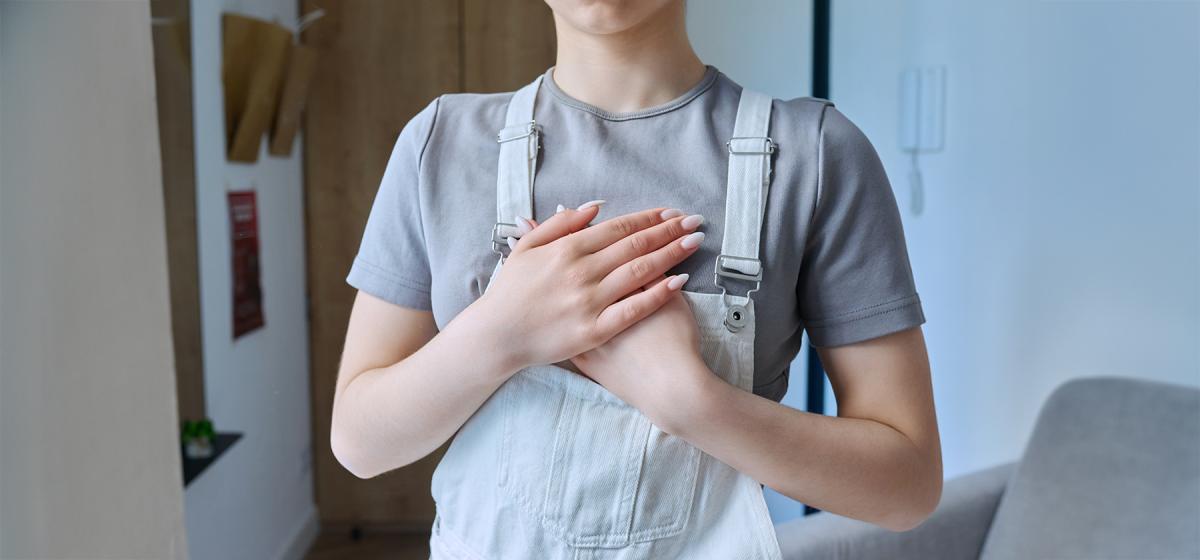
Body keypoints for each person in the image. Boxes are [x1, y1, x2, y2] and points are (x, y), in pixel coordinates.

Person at [331, 0, 942, 557]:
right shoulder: (438, 144)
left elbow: (908, 487)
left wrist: (692, 403)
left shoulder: (816, 156)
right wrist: (499, 334)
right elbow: (359, 443)